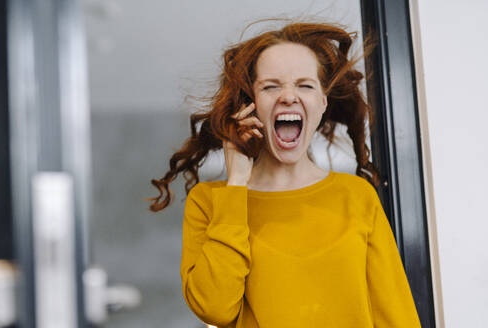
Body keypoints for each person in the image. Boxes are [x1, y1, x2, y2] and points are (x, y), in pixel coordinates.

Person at [148, 20, 422, 328]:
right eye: (271, 86)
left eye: (305, 85)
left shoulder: (356, 196)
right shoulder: (211, 202)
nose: (289, 96)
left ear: (321, 103)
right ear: (249, 105)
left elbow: (395, 316)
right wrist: (237, 184)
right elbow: (214, 308)